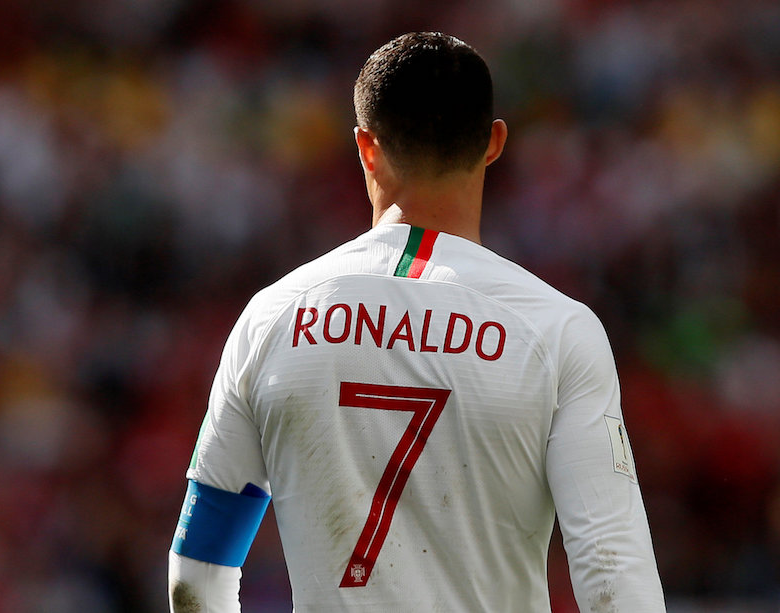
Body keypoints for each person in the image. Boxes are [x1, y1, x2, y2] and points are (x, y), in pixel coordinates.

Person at [168, 32, 665, 612]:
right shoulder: (557, 330)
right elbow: (613, 571)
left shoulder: (272, 316)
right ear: (494, 142)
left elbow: (198, 572)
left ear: (364, 147)